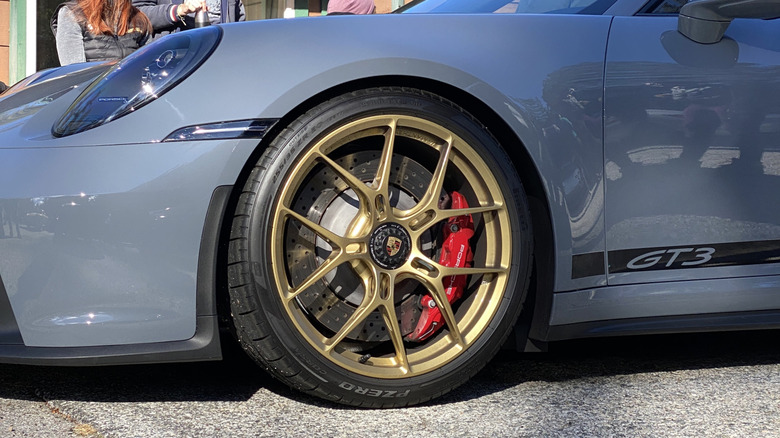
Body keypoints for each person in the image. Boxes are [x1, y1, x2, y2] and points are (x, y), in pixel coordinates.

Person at [51, 0, 152, 66]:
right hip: (93, 93)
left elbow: (150, 65)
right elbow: (74, 73)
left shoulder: (138, 18)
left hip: (133, 92)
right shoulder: (73, 13)